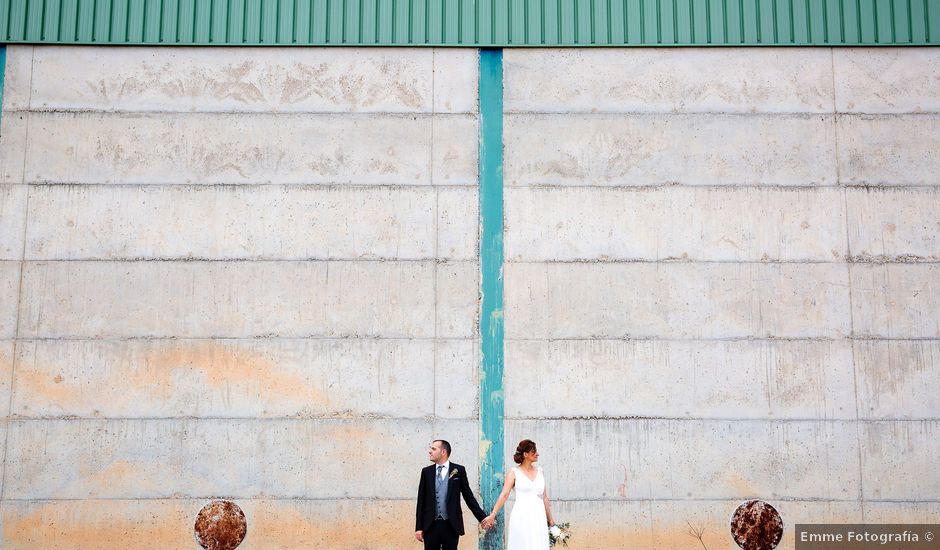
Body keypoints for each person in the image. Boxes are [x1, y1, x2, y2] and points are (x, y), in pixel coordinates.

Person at [481, 439, 555, 550]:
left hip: (538, 516)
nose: (537, 454)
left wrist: (551, 520)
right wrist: (493, 514)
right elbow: (504, 494)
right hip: (522, 516)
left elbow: (544, 497)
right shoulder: (514, 472)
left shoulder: (540, 471)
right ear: (525, 454)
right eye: (534, 452)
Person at [415, 439, 489, 550]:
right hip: (430, 525)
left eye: (433, 449)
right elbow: (421, 501)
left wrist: (482, 518)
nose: (430, 451)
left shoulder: (459, 470)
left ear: (443, 452)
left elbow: (469, 497)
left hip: (451, 525)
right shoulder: (426, 472)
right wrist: (418, 527)